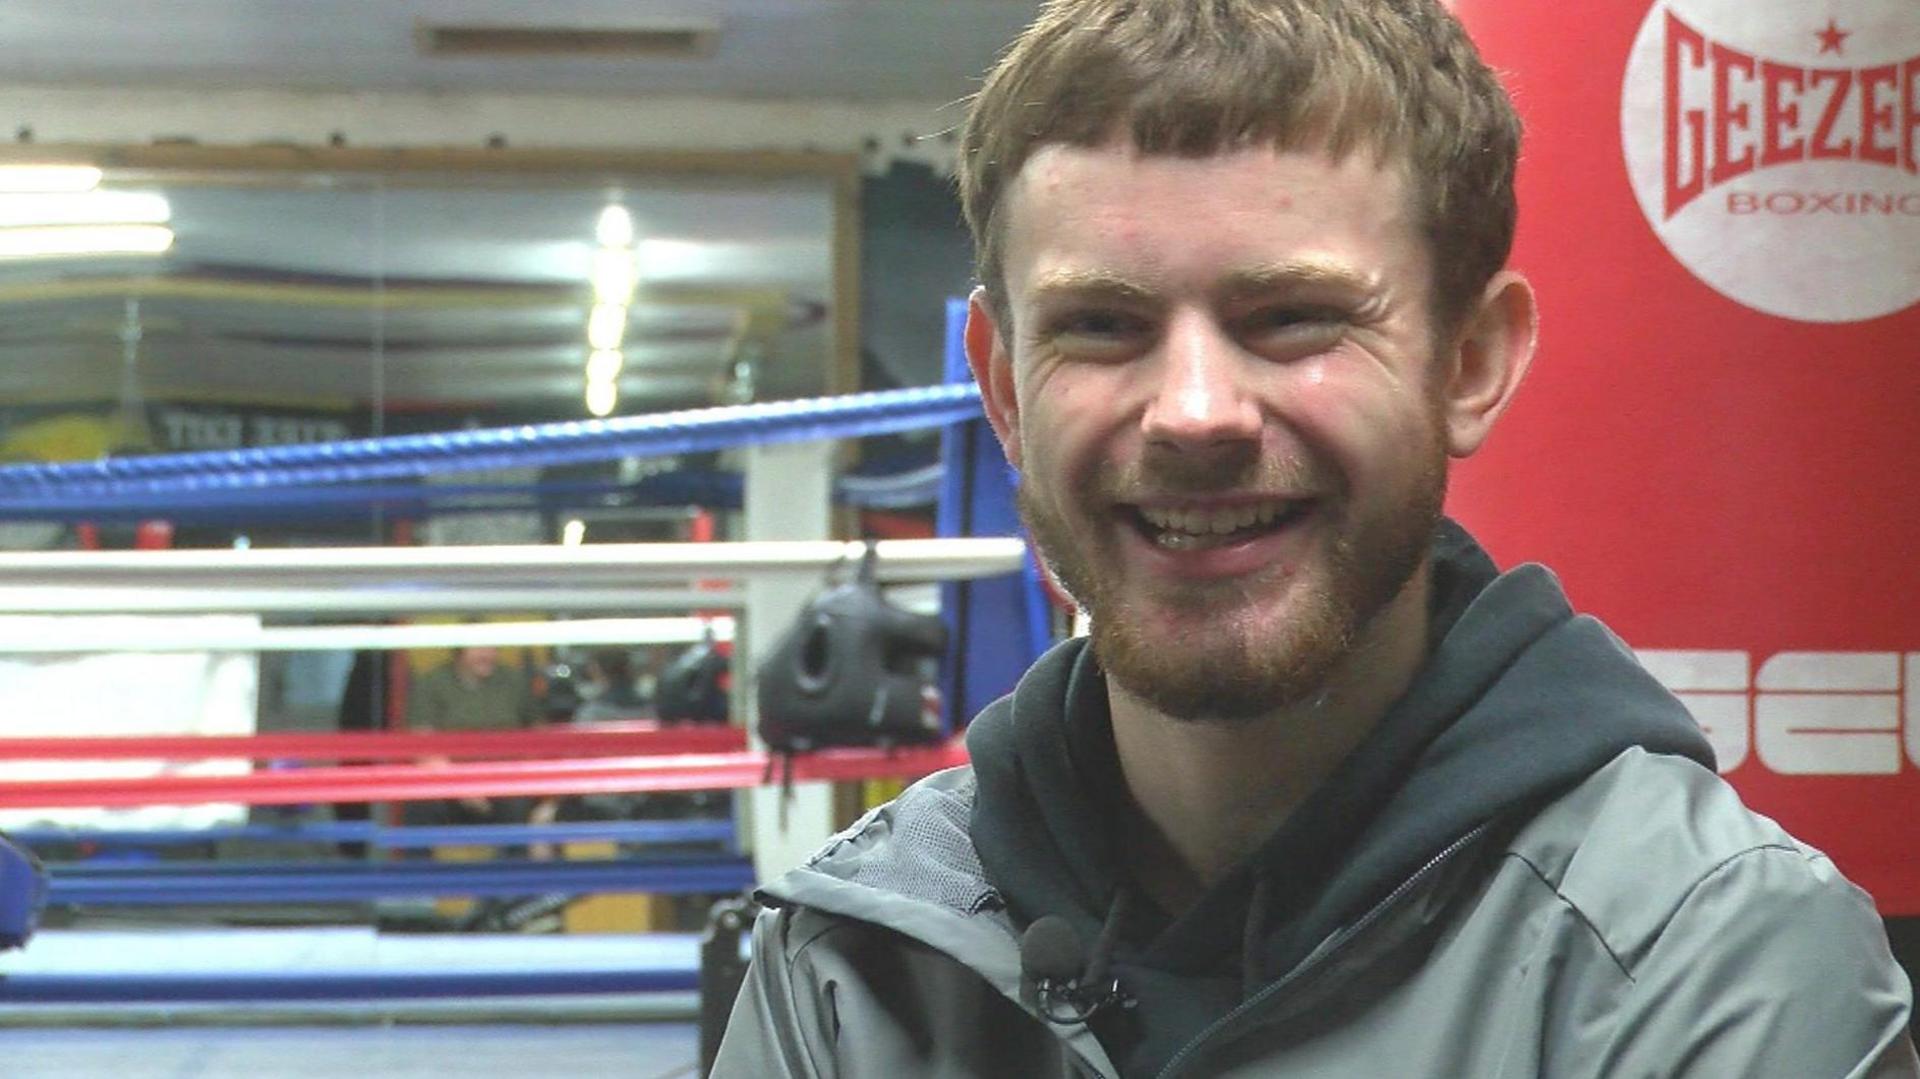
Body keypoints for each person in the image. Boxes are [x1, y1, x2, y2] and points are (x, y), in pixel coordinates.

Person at [713, 1, 1919, 1075]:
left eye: (1291, 319)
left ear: (1470, 361)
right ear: (1006, 388)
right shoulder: (861, 955)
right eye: (1102, 324)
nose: (1192, 412)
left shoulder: (1708, 963)